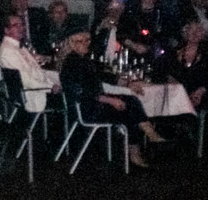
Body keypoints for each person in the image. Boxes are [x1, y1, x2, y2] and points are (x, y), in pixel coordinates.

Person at [59, 31, 166, 168]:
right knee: (130, 107)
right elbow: (81, 92)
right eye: (80, 41)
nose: (86, 43)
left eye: (87, 40)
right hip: (88, 109)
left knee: (131, 104)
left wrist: (128, 84)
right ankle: (145, 139)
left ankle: (144, 140)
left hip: (93, 105)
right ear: (71, 44)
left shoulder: (83, 60)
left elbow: (104, 76)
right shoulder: (72, 63)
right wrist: (110, 100)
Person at [0, 14, 59, 114]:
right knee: (72, 97)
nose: (21, 28)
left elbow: (36, 71)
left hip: (39, 89)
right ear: (6, 30)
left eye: (22, 24)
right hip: (33, 96)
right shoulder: (8, 51)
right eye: (15, 25)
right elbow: (25, 80)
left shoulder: (18, 46)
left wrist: (56, 80)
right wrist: (51, 87)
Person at [152, 21, 208, 111]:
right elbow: (159, 71)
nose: (195, 33)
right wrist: (170, 79)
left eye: (199, 30)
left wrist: (202, 90)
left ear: (204, 34)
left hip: (199, 100)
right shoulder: (173, 53)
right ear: (186, 32)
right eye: (191, 29)